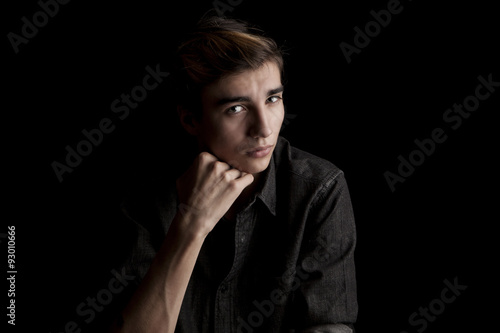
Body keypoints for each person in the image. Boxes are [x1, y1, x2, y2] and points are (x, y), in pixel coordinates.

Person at [109, 15, 358, 333]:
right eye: (236, 108)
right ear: (190, 121)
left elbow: (328, 327)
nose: (265, 129)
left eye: (272, 99)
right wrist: (190, 225)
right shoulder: (143, 196)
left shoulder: (319, 190)